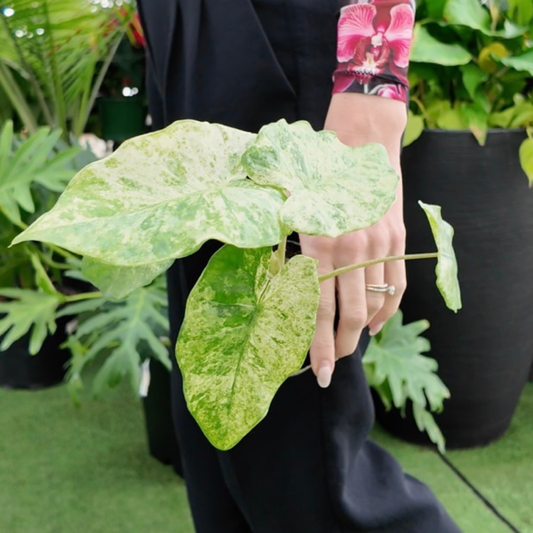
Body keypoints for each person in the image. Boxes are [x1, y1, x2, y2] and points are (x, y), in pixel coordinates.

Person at [137, 1, 463, 532]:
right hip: (186, 24)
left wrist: (371, 81)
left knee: (309, 478)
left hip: (285, 26)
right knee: (219, 462)